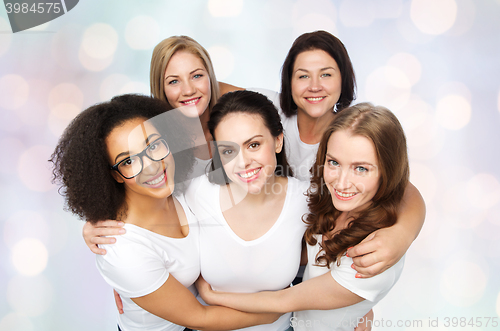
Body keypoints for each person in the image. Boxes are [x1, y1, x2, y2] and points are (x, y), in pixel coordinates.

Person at [83, 32, 425, 280]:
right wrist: (98, 220)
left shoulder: (288, 117)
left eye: (198, 76)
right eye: (302, 76)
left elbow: (397, 185)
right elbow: (129, 176)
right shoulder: (160, 141)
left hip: (296, 271)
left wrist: (401, 235)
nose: (314, 86)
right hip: (212, 272)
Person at [50, 94, 279, 331]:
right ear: (115, 175)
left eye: (153, 145)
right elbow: (199, 317)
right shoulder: (122, 249)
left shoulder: (183, 191)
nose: (151, 166)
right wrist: (274, 313)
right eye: (128, 161)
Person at [196, 102, 409, 331]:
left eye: (361, 169)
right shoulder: (329, 204)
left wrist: (212, 296)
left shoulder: (374, 254)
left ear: (388, 170)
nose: (342, 182)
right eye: (334, 162)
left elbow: (283, 301)